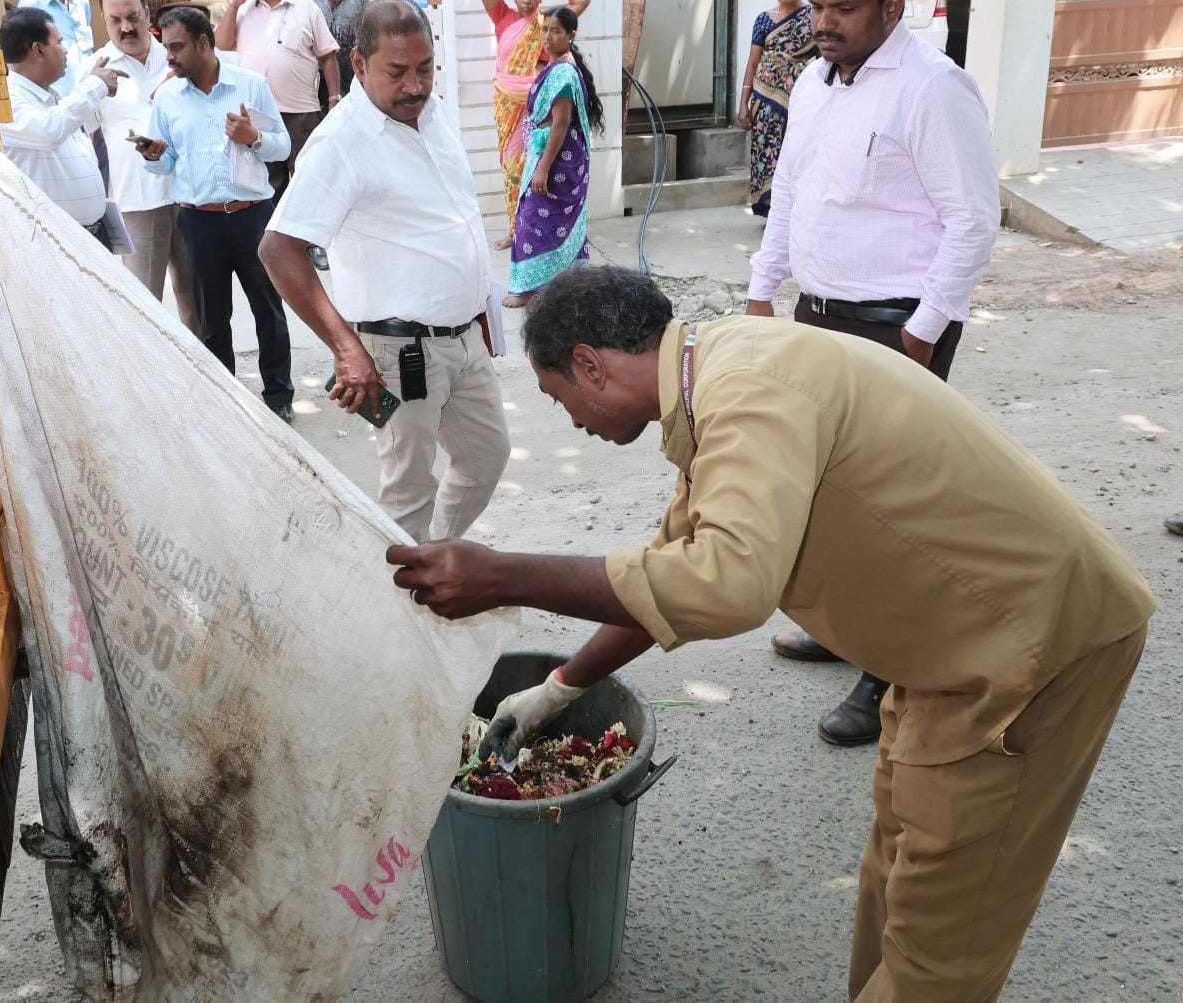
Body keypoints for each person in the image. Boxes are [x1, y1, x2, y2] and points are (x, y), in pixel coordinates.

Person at [386, 265, 1153, 1003]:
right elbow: (671, 569)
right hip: (945, 649)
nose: (575, 425)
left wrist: (503, 573)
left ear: (589, 365)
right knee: (894, 873)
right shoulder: (714, 372)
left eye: (559, 401)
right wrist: (559, 689)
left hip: (1031, 650)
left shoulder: (748, 389)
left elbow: (724, 582)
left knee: (940, 948)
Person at [746, 0, 1000, 747]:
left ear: (895, 6)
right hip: (819, 315)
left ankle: (886, 669)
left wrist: (924, 335)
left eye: (843, 8)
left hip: (898, 327)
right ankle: (848, 624)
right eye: (817, 6)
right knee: (828, 490)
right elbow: (788, 194)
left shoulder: (933, 87)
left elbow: (973, 221)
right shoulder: (818, 81)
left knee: (893, 505)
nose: (823, 22)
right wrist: (761, 295)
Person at [260, 0, 510, 541]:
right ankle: (408, 608)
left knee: (487, 458)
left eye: (425, 68)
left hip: (465, 336)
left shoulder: (434, 112)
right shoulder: (340, 142)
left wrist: (476, 304)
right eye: (397, 72)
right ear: (358, 64)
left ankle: (437, 564)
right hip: (399, 355)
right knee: (408, 494)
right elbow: (279, 250)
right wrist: (347, 350)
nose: (415, 86)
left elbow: (454, 214)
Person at [137, 8, 296, 424]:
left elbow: (282, 147)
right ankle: (224, 401)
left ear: (204, 43)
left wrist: (253, 137)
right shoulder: (168, 98)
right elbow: (166, 159)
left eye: (176, 47)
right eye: (166, 47)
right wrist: (155, 155)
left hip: (251, 216)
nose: (168, 57)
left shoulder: (250, 86)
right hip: (197, 220)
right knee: (212, 316)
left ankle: (278, 395)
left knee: (268, 309)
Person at [93, 0, 198, 335]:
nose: (125, 27)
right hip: (137, 203)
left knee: (197, 301)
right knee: (143, 308)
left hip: (188, 197)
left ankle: (206, 379)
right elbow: (76, 130)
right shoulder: (97, 69)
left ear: (146, 13)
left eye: (132, 16)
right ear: (104, 21)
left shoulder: (176, 57)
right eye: (115, 19)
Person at [216, 0, 341, 207]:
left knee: (308, 179)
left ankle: (308, 241)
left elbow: (328, 56)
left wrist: (333, 98)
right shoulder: (245, 8)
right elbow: (223, 43)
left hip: (300, 113)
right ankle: (273, 241)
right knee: (269, 184)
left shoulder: (306, 8)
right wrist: (233, 6)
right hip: (260, 114)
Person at [475, 0, 590, 251]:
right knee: (512, 170)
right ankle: (515, 232)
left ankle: (537, 230)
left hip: (536, 106)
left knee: (537, 168)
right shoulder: (503, 16)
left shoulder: (547, 23)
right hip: (506, 104)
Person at [504, 7, 603, 308]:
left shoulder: (563, 72)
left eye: (556, 30)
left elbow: (560, 123)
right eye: (545, 29)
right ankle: (553, 285)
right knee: (539, 219)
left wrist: (543, 169)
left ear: (571, 36)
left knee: (534, 219)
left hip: (559, 160)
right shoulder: (558, 66)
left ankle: (533, 290)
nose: (548, 36)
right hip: (550, 152)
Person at [0, 7, 124, 243]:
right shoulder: (7, 100)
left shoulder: (49, 96)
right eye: (59, 42)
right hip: (55, 242)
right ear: (38, 50)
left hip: (89, 234)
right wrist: (95, 86)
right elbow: (48, 131)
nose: (65, 50)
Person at [19, 0, 108, 189]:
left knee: (96, 157)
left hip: (87, 93)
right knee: (68, 162)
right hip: (57, 100)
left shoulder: (81, 1)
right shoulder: (31, 3)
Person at [738, 0, 816, 218]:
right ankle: (770, 211)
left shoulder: (813, 18)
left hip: (798, 100)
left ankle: (793, 210)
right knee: (764, 151)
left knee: (794, 153)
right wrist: (743, 103)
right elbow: (752, 63)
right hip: (763, 98)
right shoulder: (763, 20)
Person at [305, 0, 370, 112]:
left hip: (355, 90)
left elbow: (369, 43)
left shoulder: (361, 0)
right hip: (314, 94)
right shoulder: (304, 2)